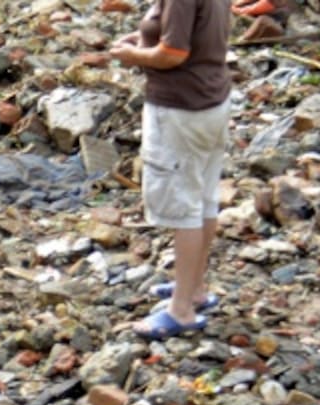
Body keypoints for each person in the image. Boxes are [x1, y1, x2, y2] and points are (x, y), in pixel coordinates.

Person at [109, 0, 232, 340]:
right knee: (204, 198)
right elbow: (194, 35)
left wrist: (135, 57)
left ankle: (181, 310)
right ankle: (194, 287)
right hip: (211, 100)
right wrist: (143, 40)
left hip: (180, 109)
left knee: (182, 206)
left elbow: (174, 53)